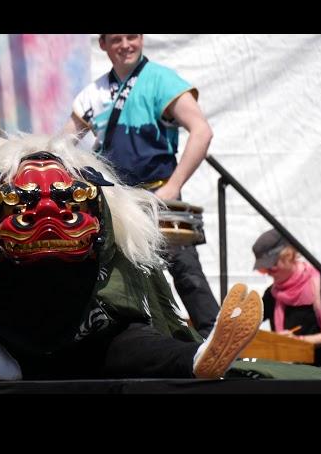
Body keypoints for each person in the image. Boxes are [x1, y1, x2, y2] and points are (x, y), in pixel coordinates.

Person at [0, 134, 263, 383]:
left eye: (68, 199)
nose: (49, 212)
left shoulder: (104, 226)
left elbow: (126, 302)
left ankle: (194, 357)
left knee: (127, 339)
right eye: (25, 201)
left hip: (81, 334)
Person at [63, 34, 218, 337]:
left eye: (131, 36)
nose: (125, 45)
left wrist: (173, 187)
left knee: (183, 268)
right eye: (116, 39)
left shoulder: (162, 80)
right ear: (103, 45)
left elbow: (202, 131)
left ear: (142, 39)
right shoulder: (93, 93)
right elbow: (62, 143)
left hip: (157, 193)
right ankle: (136, 340)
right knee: (118, 275)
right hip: (115, 200)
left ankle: (214, 334)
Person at [252, 228, 321, 366]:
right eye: (263, 270)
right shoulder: (271, 294)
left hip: (318, 370)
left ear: (288, 256)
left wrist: (298, 342)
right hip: (283, 370)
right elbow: (250, 323)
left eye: (272, 267)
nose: (268, 273)